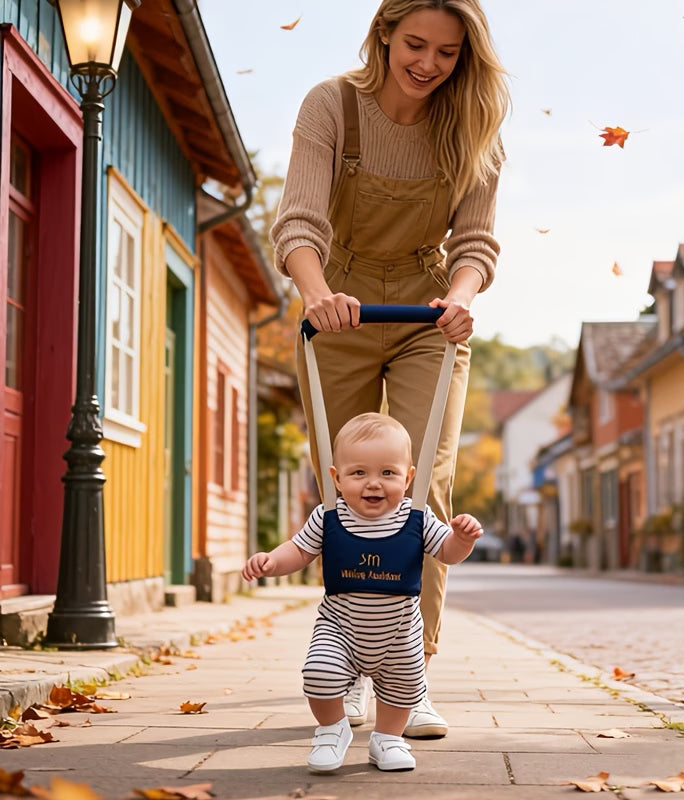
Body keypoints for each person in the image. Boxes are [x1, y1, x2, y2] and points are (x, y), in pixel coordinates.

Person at [270, 0, 509, 739]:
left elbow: (475, 242)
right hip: (337, 306)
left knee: (417, 487)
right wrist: (317, 296)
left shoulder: (472, 128)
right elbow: (299, 220)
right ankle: (341, 668)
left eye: (448, 52)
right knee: (350, 495)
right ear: (383, 34)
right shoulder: (333, 105)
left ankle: (414, 673)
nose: (430, 64)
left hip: (425, 316)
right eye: (416, 44)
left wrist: (461, 300)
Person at [241, 413, 483, 773]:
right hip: (341, 627)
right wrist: (272, 562)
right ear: (336, 478)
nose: (373, 484)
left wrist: (461, 540)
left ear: (409, 476)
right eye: (359, 473)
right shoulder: (329, 517)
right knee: (318, 674)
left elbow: (446, 553)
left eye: (388, 473)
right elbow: (299, 550)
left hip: (399, 633)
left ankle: (387, 739)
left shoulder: (416, 516)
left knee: (405, 686)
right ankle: (331, 729)